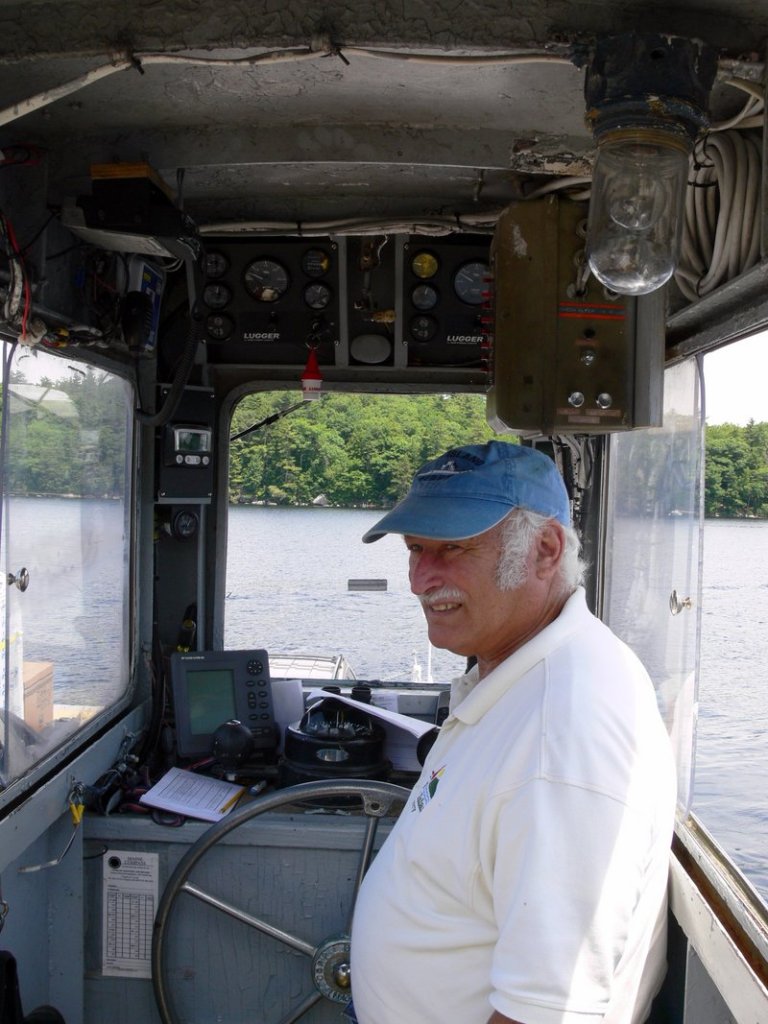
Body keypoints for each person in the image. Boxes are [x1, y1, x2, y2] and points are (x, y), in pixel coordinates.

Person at [349, 440, 677, 1024]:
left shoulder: (564, 734)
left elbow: (549, 1013)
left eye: (454, 547)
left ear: (545, 550)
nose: (421, 579)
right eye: (416, 548)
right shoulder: (517, 675)